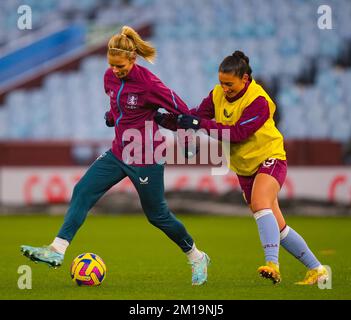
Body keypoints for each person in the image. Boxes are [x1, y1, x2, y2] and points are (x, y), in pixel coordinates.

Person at [21, 26, 210, 286]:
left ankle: (196, 256)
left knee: (158, 216)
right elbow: (119, 105)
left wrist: (188, 137)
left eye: (120, 65)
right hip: (119, 152)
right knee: (83, 190)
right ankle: (57, 249)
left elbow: (183, 110)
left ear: (133, 59)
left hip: (146, 156)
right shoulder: (109, 77)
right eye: (112, 65)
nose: (116, 70)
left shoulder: (148, 83)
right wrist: (113, 117)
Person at [156, 50, 328, 285]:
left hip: (270, 157)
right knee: (277, 226)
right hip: (244, 168)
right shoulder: (217, 94)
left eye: (229, 84)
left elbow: (238, 133)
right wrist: (162, 119)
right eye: (221, 83)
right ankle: (318, 269)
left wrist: (199, 123)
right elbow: (193, 117)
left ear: (244, 79)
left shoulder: (259, 101)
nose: (224, 88)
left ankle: (272, 265)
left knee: (260, 204)